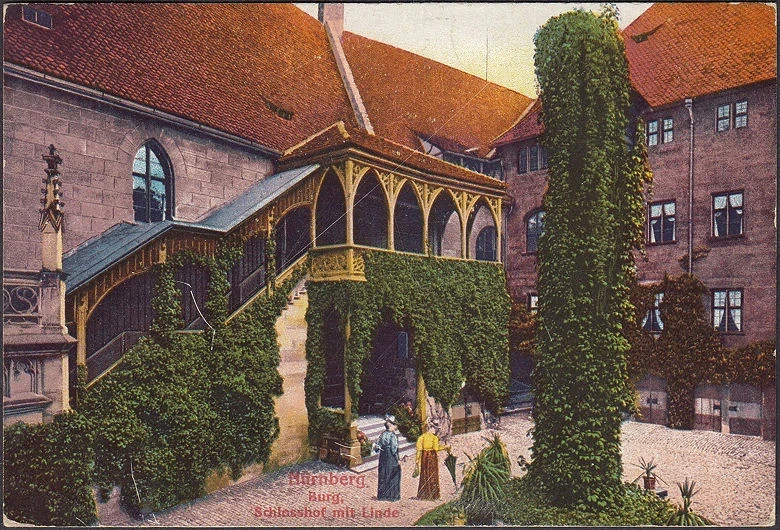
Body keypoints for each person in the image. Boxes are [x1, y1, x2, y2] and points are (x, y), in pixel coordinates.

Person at [414, 420, 450, 500]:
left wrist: (417, 461)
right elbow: (436, 448)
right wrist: (445, 447)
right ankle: (433, 495)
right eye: (435, 429)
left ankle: (423, 495)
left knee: (424, 474)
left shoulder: (421, 437)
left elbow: (419, 450)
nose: (436, 431)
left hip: (424, 456)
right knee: (432, 474)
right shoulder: (434, 438)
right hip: (431, 456)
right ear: (431, 428)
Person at [374, 414, 401, 501]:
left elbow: (376, 448)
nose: (396, 427)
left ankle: (382, 495)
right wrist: (398, 460)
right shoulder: (393, 436)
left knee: (383, 473)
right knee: (394, 472)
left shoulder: (382, 435)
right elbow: (394, 449)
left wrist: (381, 448)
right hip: (390, 457)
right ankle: (392, 496)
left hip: (383, 456)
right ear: (391, 425)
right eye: (394, 425)